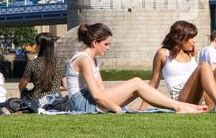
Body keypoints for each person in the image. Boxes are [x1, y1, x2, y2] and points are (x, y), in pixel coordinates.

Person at [66, 23, 206, 114]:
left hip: (90, 99)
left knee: (136, 85)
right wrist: (116, 109)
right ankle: (179, 106)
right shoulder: (83, 59)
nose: (108, 48)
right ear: (95, 42)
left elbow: (102, 91)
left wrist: (118, 103)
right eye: (106, 44)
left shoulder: (92, 59)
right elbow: (97, 95)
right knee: (136, 82)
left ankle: (179, 106)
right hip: (82, 104)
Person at [140, 21, 216, 114]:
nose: (194, 41)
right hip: (183, 100)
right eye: (191, 38)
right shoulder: (163, 54)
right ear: (180, 38)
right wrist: (142, 108)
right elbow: (153, 83)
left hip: (205, 99)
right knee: (204, 65)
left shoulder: (191, 53)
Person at [19, 33, 67, 105]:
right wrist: (53, 88)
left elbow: (22, 85)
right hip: (56, 99)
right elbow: (65, 86)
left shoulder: (32, 63)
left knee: (24, 94)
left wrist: (23, 91)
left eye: (36, 45)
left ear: (40, 46)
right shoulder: (61, 62)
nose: (35, 47)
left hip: (38, 100)